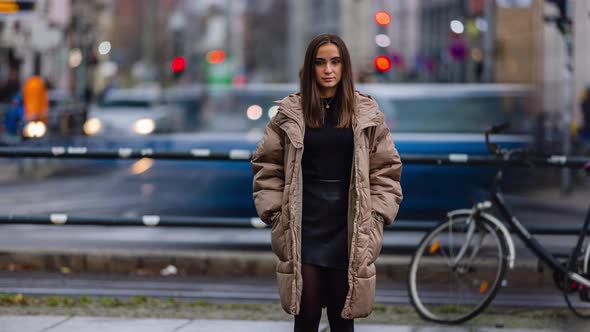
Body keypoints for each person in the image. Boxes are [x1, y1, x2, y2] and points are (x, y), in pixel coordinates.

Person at [251, 33, 403, 332]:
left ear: (345, 67)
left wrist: (376, 217)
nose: (328, 70)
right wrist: (275, 213)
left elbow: (386, 169)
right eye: (320, 63)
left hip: (349, 227)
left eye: (335, 62)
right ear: (310, 68)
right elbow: (266, 165)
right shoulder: (290, 114)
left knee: (342, 317)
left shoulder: (366, 114)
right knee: (305, 314)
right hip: (303, 225)